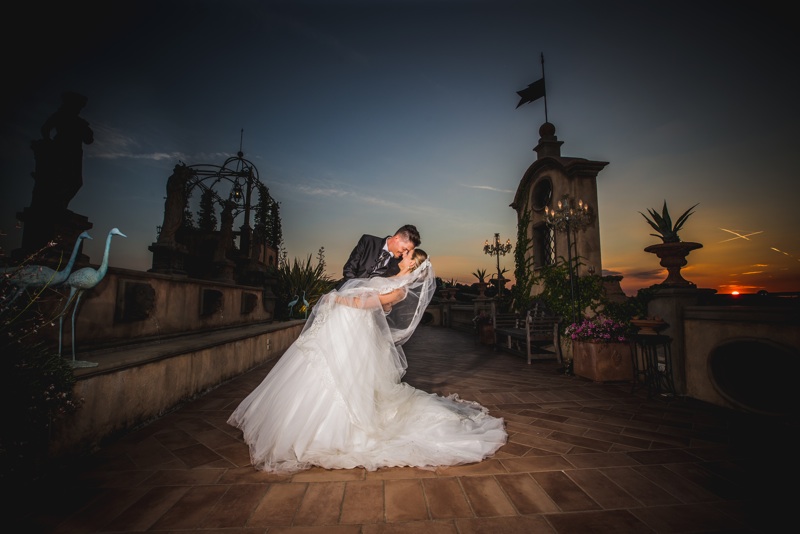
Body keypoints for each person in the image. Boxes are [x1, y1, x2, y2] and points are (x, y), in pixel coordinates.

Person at [228, 249, 507, 474]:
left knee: (339, 375)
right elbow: (376, 302)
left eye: (409, 255)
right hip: (345, 328)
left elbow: (372, 304)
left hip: (352, 329)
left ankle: (329, 429)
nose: (404, 255)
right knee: (322, 368)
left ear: (414, 264)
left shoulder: (400, 289)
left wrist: (337, 300)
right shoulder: (393, 278)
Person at [340, 224, 421, 286]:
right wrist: (355, 292)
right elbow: (349, 269)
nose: (404, 254)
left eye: (408, 251)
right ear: (397, 238)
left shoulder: (400, 264)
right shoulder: (368, 241)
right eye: (404, 249)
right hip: (345, 291)